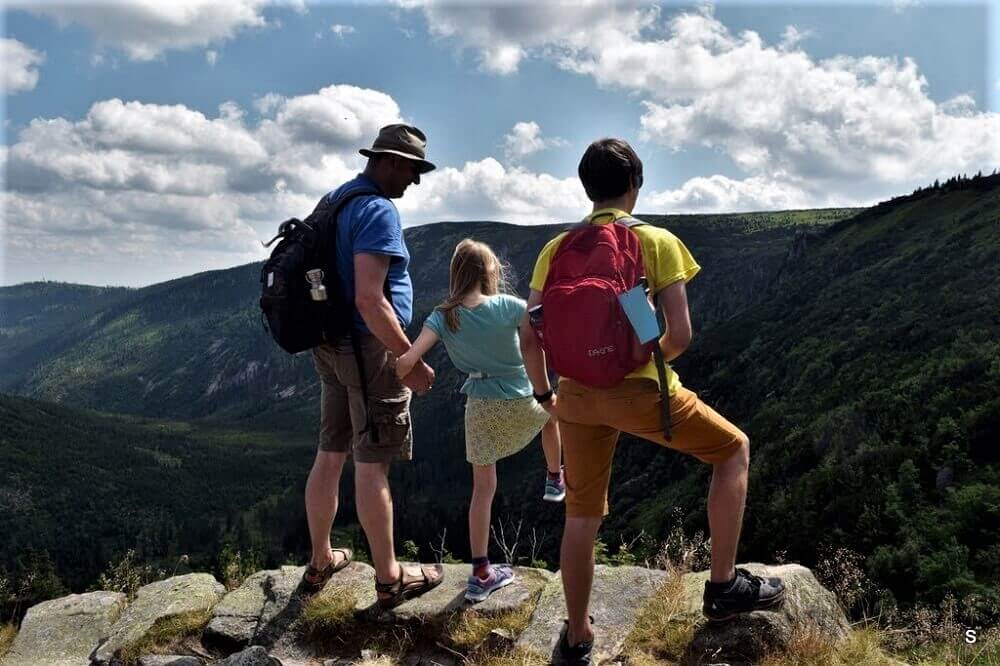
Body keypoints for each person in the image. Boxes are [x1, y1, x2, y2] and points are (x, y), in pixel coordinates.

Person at [519, 138, 785, 663]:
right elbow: (679, 335)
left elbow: (531, 334)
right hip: (640, 392)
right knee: (733, 451)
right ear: (635, 184)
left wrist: (546, 393)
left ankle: (576, 636)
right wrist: (631, 365)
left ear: (585, 187)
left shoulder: (555, 249)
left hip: (573, 396)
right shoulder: (658, 242)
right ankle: (724, 587)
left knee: (581, 513)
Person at [301, 124, 444, 608]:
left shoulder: (334, 199)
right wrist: (409, 359)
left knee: (330, 450)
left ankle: (321, 560)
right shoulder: (378, 210)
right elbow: (370, 298)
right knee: (372, 461)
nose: (415, 180)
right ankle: (389, 578)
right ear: (387, 161)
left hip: (329, 343)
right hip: (367, 350)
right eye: (412, 168)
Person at [395, 239, 565, 603]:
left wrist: (417, 374)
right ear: (490, 272)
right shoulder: (509, 306)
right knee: (552, 417)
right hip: (523, 399)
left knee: (482, 491)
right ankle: (554, 478)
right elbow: (544, 337)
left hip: (481, 407)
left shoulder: (443, 316)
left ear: (455, 273)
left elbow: (406, 361)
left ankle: (481, 573)